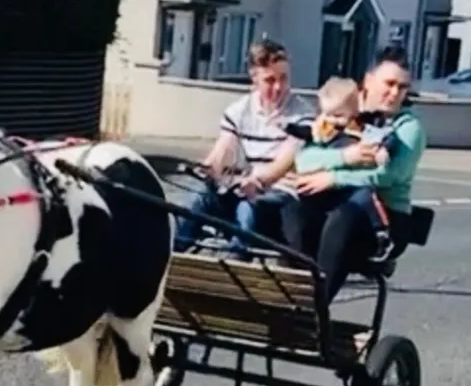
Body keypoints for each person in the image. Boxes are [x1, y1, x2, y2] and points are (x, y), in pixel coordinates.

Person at [246, 53, 426, 302]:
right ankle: (294, 293)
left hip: (382, 220)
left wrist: (333, 178)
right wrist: (347, 157)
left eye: (402, 87)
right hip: (331, 206)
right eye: (389, 84)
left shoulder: (408, 128)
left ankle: (315, 307)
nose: (395, 93)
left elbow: (389, 174)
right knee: (292, 211)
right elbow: (304, 160)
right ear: (369, 81)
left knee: (345, 217)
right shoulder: (341, 113)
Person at [173, 37, 312, 258]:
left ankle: (236, 266)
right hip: (246, 188)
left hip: (281, 195)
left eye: (283, 78)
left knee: (247, 208)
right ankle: (175, 260)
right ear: (254, 78)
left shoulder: (303, 115)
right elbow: (224, 148)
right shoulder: (238, 111)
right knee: (198, 199)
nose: (278, 87)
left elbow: (285, 161)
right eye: (270, 80)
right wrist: (209, 168)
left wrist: (258, 181)